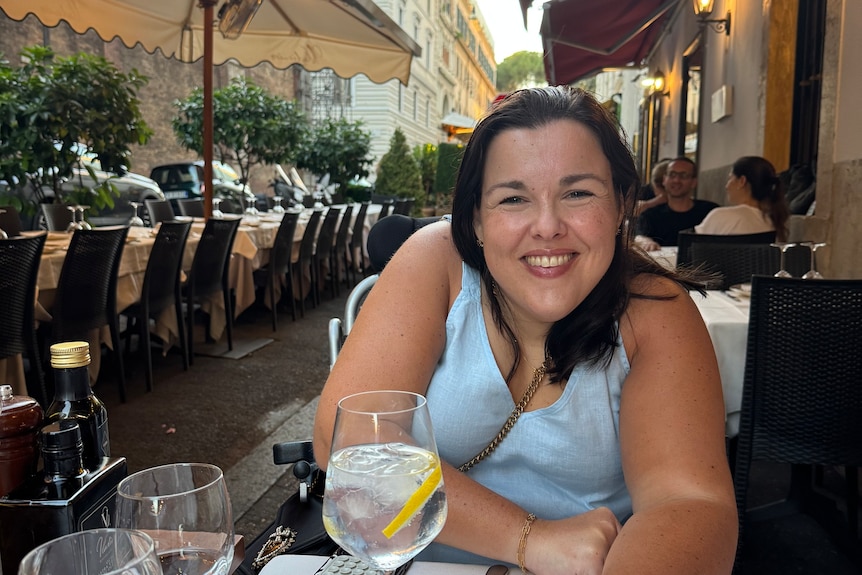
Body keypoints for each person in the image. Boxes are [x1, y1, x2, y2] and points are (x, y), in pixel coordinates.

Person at [313, 86, 737, 574]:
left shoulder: (654, 310)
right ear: (475, 218)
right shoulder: (436, 262)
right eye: (513, 198)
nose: (547, 226)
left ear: (622, 203)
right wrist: (530, 540)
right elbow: (347, 442)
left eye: (577, 193)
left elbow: (686, 502)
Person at [695, 155, 789, 241]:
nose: (726, 186)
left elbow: (691, 249)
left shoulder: (721, 216)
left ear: (742, 181)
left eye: (730, 178)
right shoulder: (774, 221)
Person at [634, 157, 719, 250]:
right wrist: (646, 242)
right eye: (672, 174)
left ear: (694, 182)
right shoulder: (650, 215)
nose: (676, 180)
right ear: (664, 180)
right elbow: (639, 237)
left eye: (683, 175)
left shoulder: (710, 212)